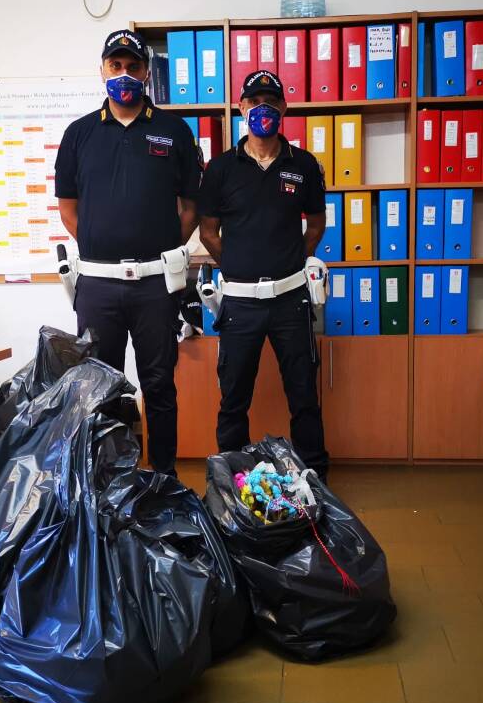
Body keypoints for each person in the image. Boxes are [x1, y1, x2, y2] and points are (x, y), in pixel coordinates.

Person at [54, 29, 202, 475]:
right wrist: (101, 246)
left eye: (133, 67)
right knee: (100, 387)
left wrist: (160, 248)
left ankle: (164, 477)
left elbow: (192, 205)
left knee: (159, 385)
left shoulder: (174, 130)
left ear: (145, 74)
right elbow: (68, 209)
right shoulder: (78, 134)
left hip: (156, 285)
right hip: (97, 286)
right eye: (115, 66)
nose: (124, 75)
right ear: (102, 70)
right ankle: (108, 477)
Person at [197, 70, 329, 479]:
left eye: (271, 101)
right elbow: (207, 231)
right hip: (239, 303)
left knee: (304, 396)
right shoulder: (220, 169)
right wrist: (236, 264)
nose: (263, 109)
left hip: (291, 300)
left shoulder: (304, 165)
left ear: (284, 108)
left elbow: (317, 225)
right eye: (254, 102)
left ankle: (315, 480)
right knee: (234, 398)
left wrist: (292, 260)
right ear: (242, 108)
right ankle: (231, 481)